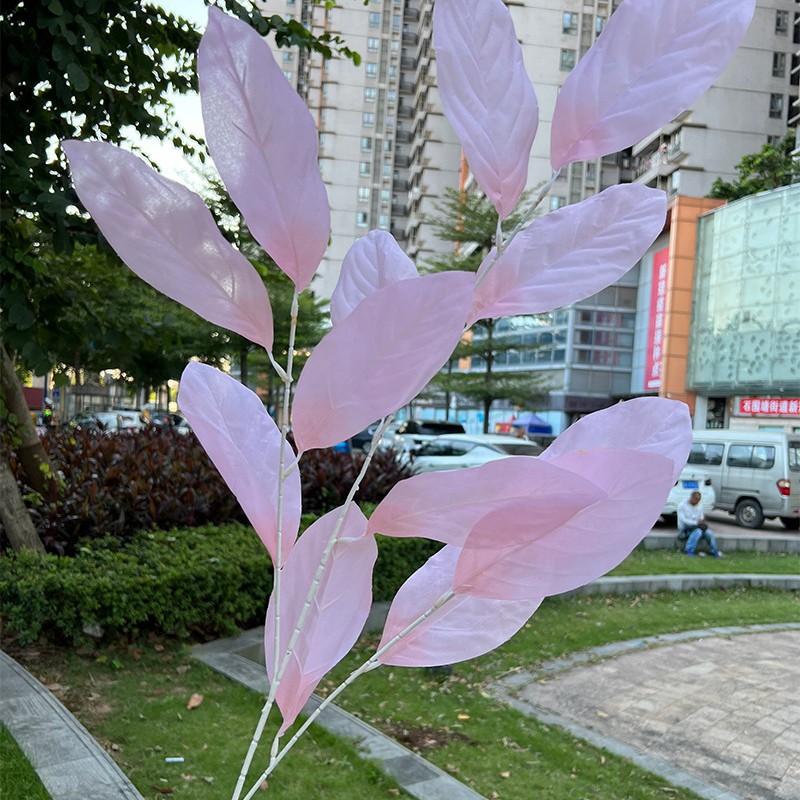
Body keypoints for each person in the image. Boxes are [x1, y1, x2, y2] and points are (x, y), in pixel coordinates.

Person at [677, 491, 722, 558]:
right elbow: (683, 520)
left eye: (699, 500)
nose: (697, 502)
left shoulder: (699, 505)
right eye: (696, 500)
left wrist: (702, 522)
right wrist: (696, 523)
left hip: (697, 526)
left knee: (709, 533)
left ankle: (714, 550)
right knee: (698, 532)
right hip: (685, 527)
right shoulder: (682, 505)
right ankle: (688, 550)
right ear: (691, 498)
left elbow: (701, 517)